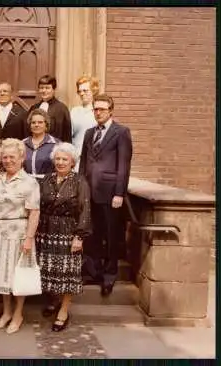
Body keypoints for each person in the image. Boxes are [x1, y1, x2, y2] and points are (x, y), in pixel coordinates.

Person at [0, 138, 40, 334]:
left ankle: (18, 314)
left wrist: (29, 238)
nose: (8, 160)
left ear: (22, 158)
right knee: (2, 275)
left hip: (18, 235)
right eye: (4, 157)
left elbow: (34, 212)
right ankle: (6, 312)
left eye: (12, 157)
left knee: (17, 277)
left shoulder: (29, 182)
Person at [79, 94, 133, 296]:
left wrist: (119, 193)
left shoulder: (121, 132)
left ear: (111, 110)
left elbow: (123, 166)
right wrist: (80, 189)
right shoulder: (89, 133)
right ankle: (95, 272)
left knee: (111, 236)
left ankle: (109, 276)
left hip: (111, 195)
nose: (98, 112)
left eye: (102, 109)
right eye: (95, 109)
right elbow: (84, 163)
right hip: (90, 193)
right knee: (92, 235)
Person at [36, 142, 92, 332]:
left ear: (72, 162)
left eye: (64, 159)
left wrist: (80, 237)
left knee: (68, 274)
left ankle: (64, 311)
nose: (60, 162)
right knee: (49, 271)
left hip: (68, 232)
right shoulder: (46, 179)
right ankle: (53, 300)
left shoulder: (79, 181)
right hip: (46, 231)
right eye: (58, 159)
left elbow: (85, 210)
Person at [27, 75, 71, 143]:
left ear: (54, 89)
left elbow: (66, 135)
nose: (44, 91)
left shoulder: (62, 109)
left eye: (47, 88)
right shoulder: (34, 108)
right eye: (41, 88)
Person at [71, 76, 100, 171]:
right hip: (75, 159)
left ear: (94, 91)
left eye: (85, 90)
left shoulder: (98, 112)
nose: (82, 94)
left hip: (93, 159)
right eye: (80, 91)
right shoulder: (74, 111)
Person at [23, 109, 60, 179]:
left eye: (40, 122)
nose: (36, 125)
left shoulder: (56, 144)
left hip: (48, 183)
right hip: (26, 184)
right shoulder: (22, 144)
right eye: (33, 122)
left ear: (46, 125)